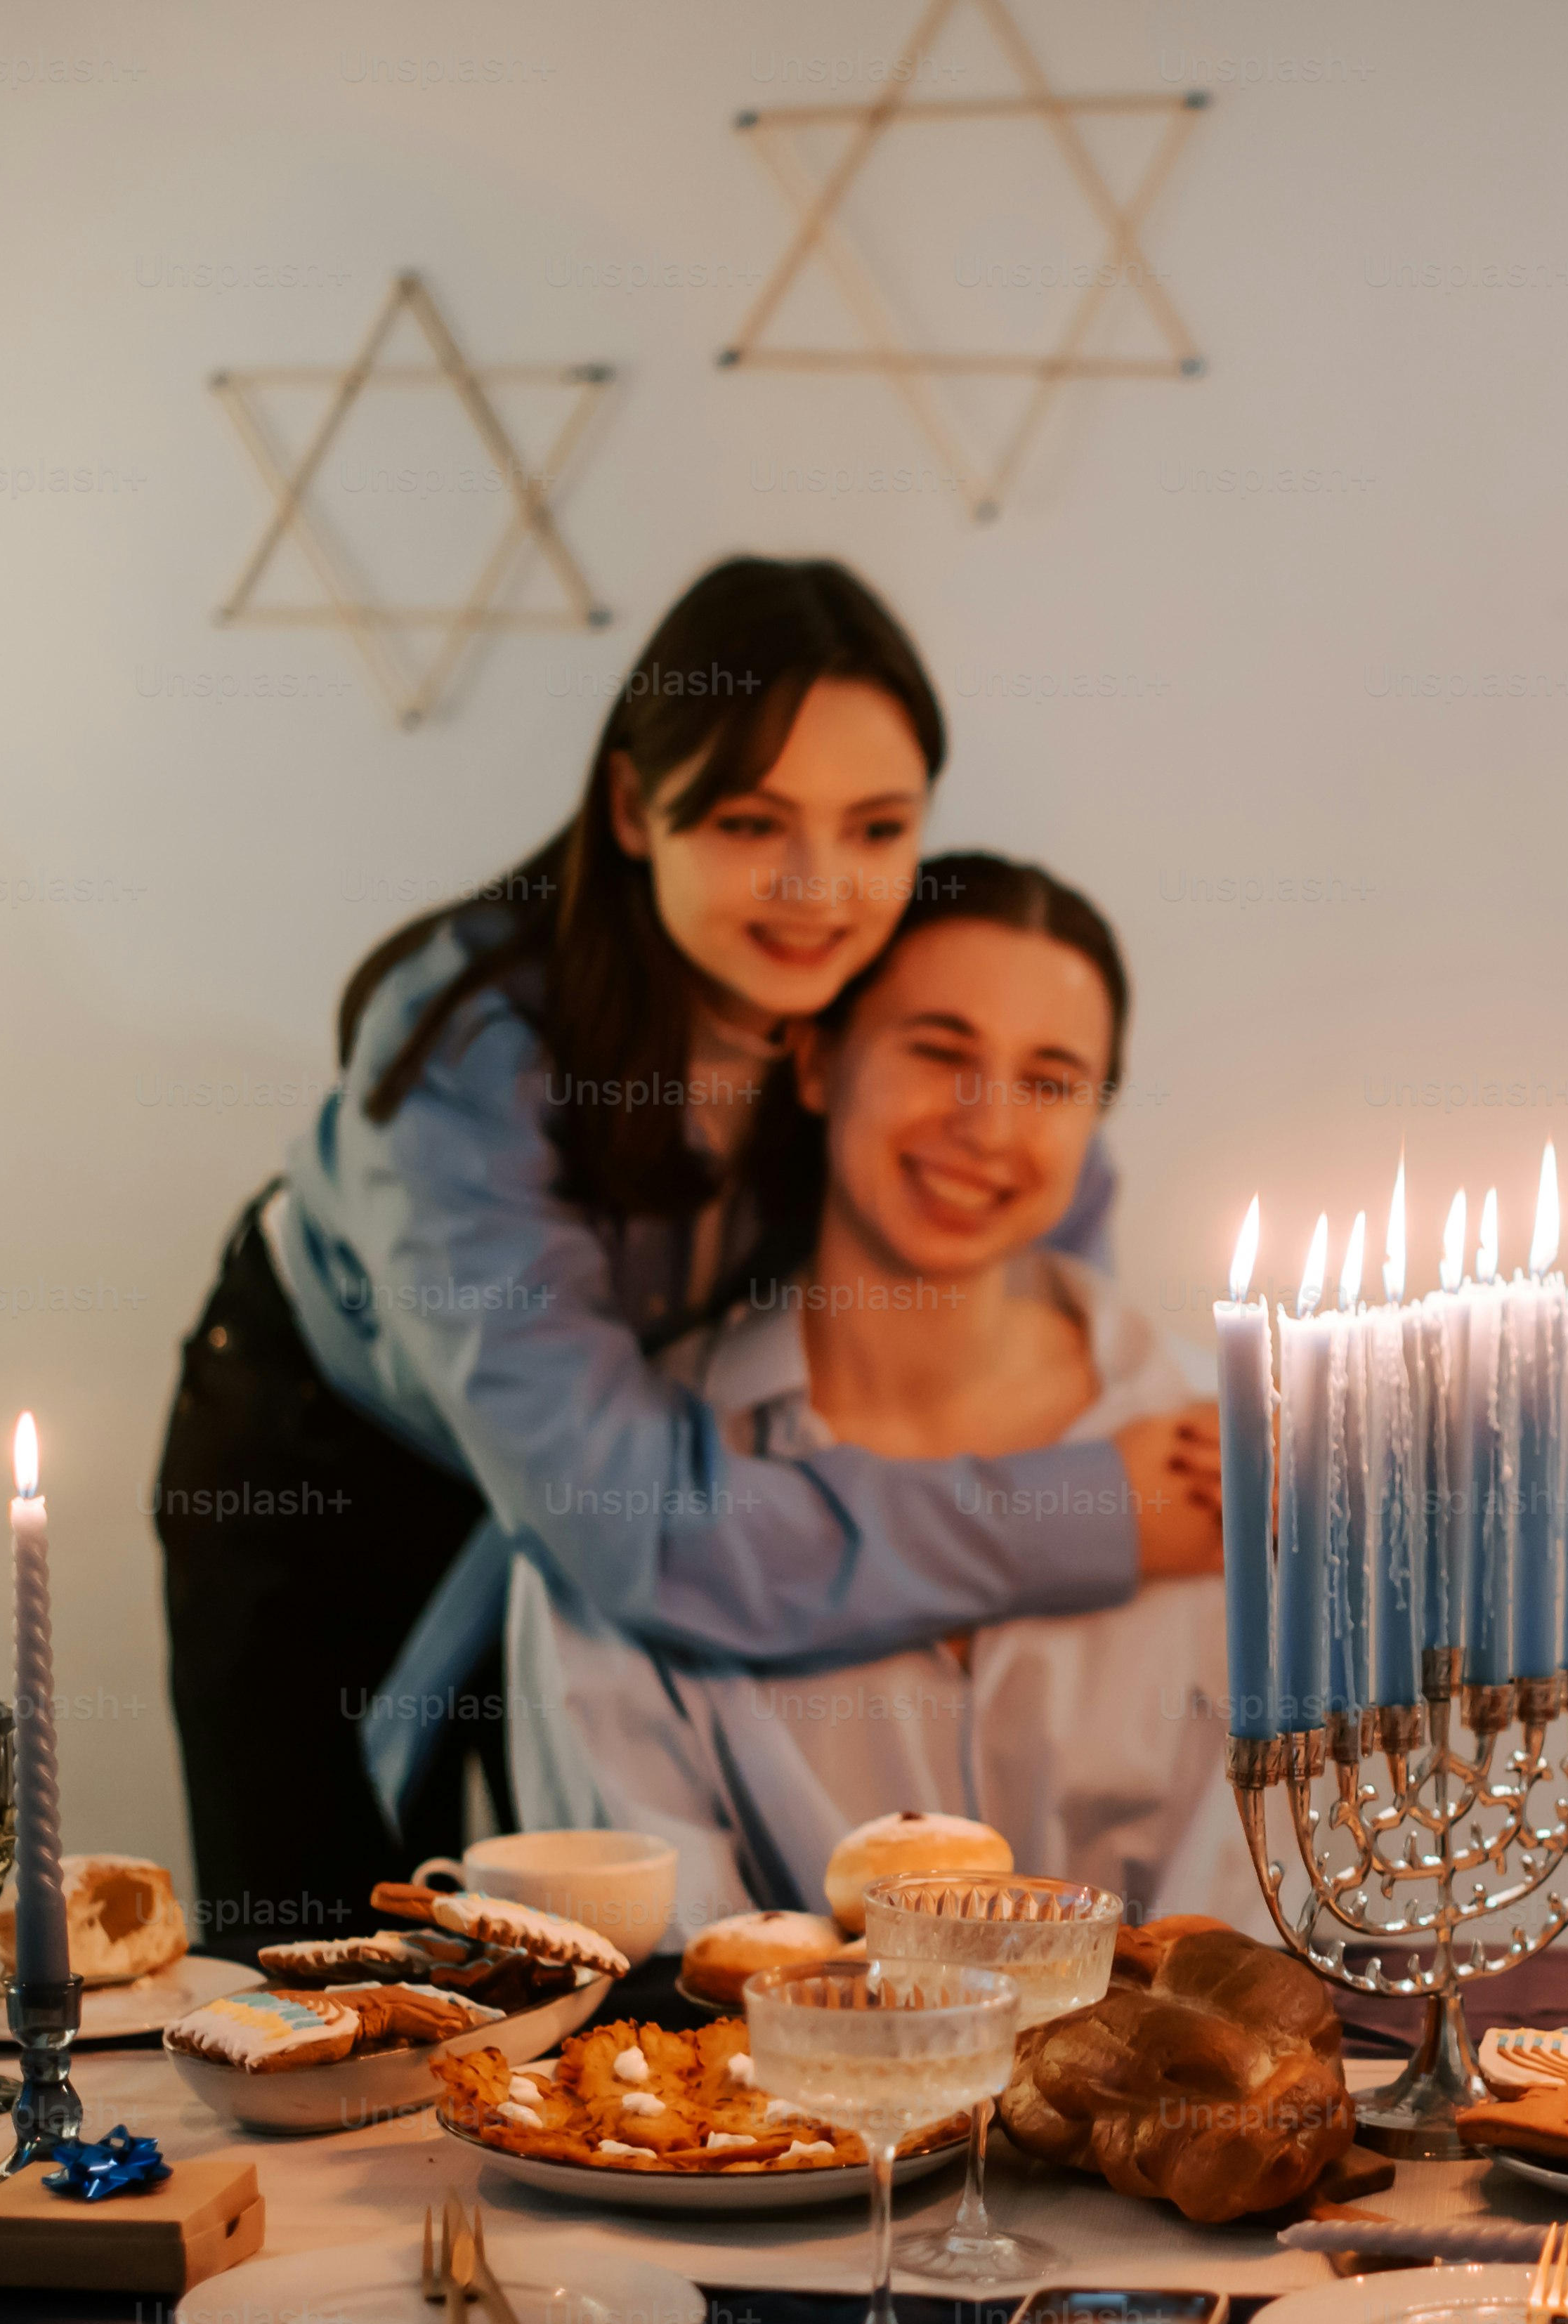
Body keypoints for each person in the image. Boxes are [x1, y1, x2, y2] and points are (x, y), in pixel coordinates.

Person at [152, 561, 1220, 1957]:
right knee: (330, 1955)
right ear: (630, 811)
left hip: (648, 1460)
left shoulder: (858, 987)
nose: (816, 889)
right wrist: (1079, 1512)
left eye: (876, 827)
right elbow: (638, 1523)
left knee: (541, 1960)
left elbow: (1016, 1214)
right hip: (334, 1464)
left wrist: (1093, 1411)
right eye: (746, 819)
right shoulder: (462, 1065)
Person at [504, 856, 1254, 1933]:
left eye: (1049, 1082)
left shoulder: (1232, 1456)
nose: (989, 1128)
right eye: (940, 1052)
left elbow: (1249, 1929)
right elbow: (641, 1933)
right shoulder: (632, 1475)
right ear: (815, 1063)